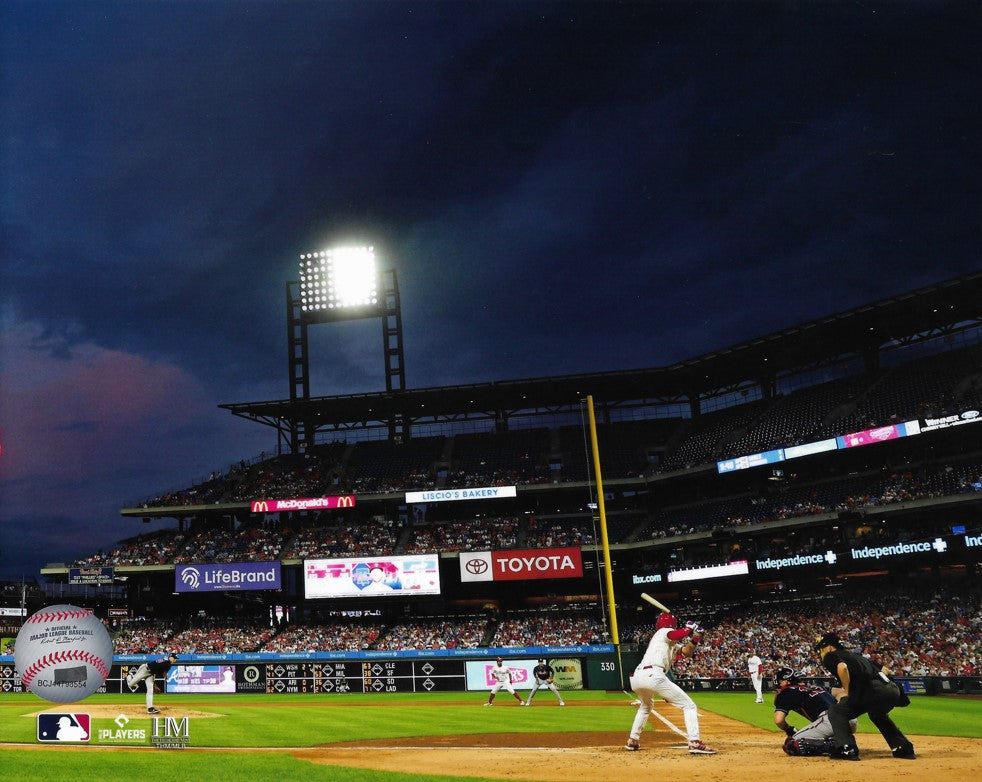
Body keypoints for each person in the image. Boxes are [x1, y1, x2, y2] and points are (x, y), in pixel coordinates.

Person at [813, 632, 914, 761]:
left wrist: (847, 691)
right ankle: (903, 748)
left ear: (830, 647)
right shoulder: (857, 656)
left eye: (822, 648)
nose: (821, 651)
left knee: (837, 711)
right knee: (877, 714)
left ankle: (846, 748)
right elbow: (886, 670)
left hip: (872, 689)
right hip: (891, 688)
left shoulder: (831, 656)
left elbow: (842, 667)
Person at [625, 613, 716, 754]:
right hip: (653, 674)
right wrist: (689, 628)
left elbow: (686, 652)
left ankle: (633, 740)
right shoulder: (663, 633)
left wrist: (696, 637)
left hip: (638, 677)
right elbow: (675, 634)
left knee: (646, 706)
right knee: (689, 705)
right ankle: (695, 742)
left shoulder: (668, 642)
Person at [773, 666, 856, 756]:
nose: (779, 684)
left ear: (786, 681)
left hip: (830, 721)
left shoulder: (786, 693)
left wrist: (789, 730)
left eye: (780, 681)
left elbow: (779, 720)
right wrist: (840, 705)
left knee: (792, 743)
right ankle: (843, 738)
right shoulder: (815, 687)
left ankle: (836, 745)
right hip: (851, 720)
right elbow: (842, 691)